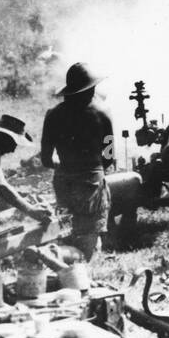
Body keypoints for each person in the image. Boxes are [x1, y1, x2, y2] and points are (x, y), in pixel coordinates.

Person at [41, 62, 115, 258]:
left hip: (64, 181)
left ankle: (63, 262)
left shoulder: (53, 115)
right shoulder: (103, 115)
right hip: (91, 184)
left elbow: (46, 159)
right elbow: (109, 156)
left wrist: (65, 166)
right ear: (90, 89)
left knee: (66, 231)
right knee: (88, 235)